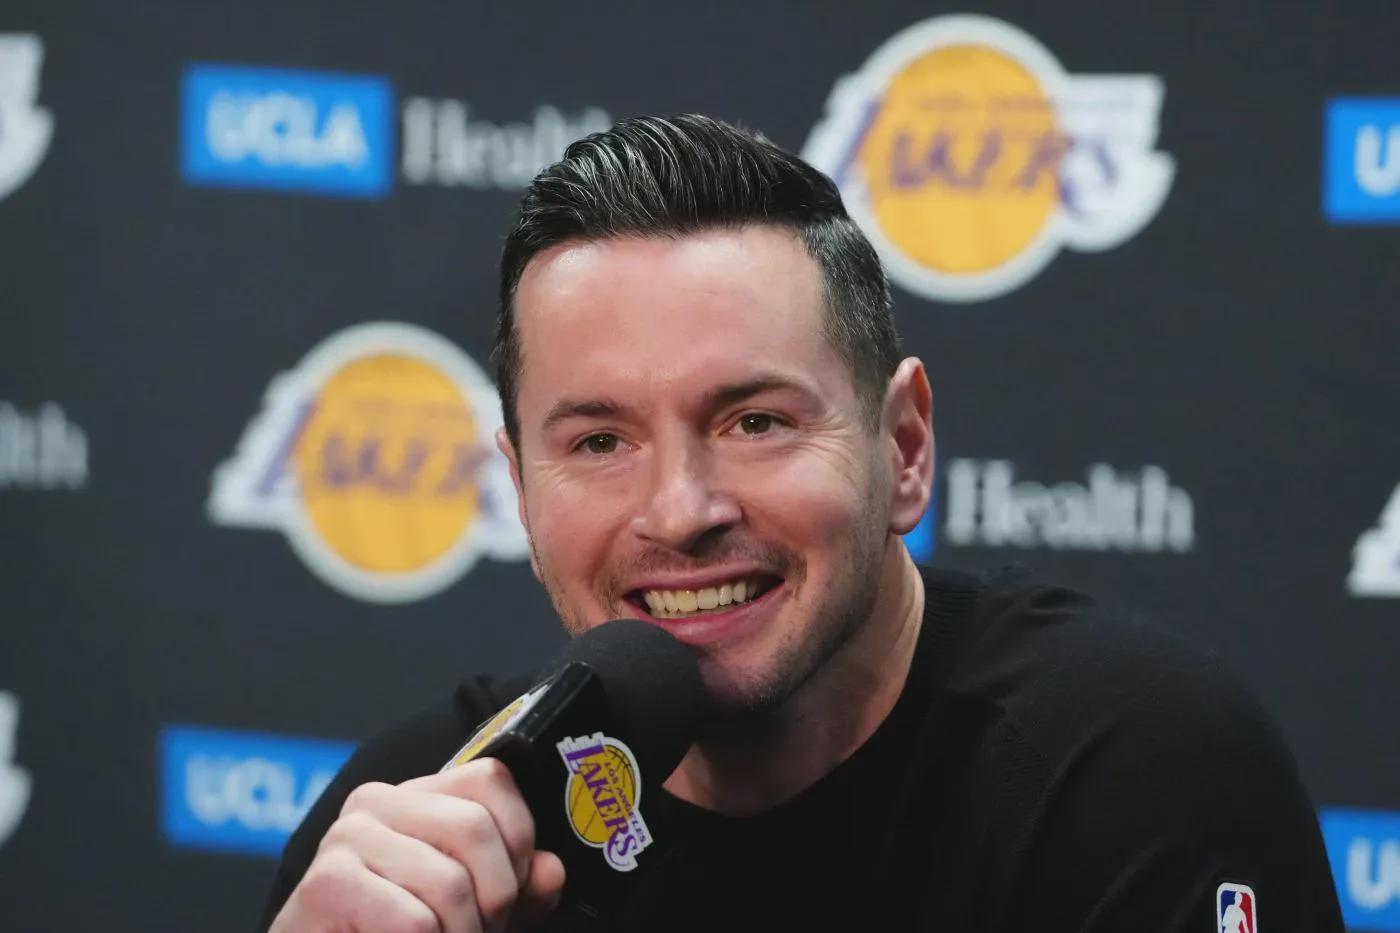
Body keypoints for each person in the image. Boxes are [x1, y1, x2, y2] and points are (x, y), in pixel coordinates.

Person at [260, 114, 1343, 932]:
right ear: (519, 487)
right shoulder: (418, 837)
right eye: (598, 442)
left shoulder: (1133, 772)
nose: (680, 510)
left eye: (755, 422)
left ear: (903, 447)